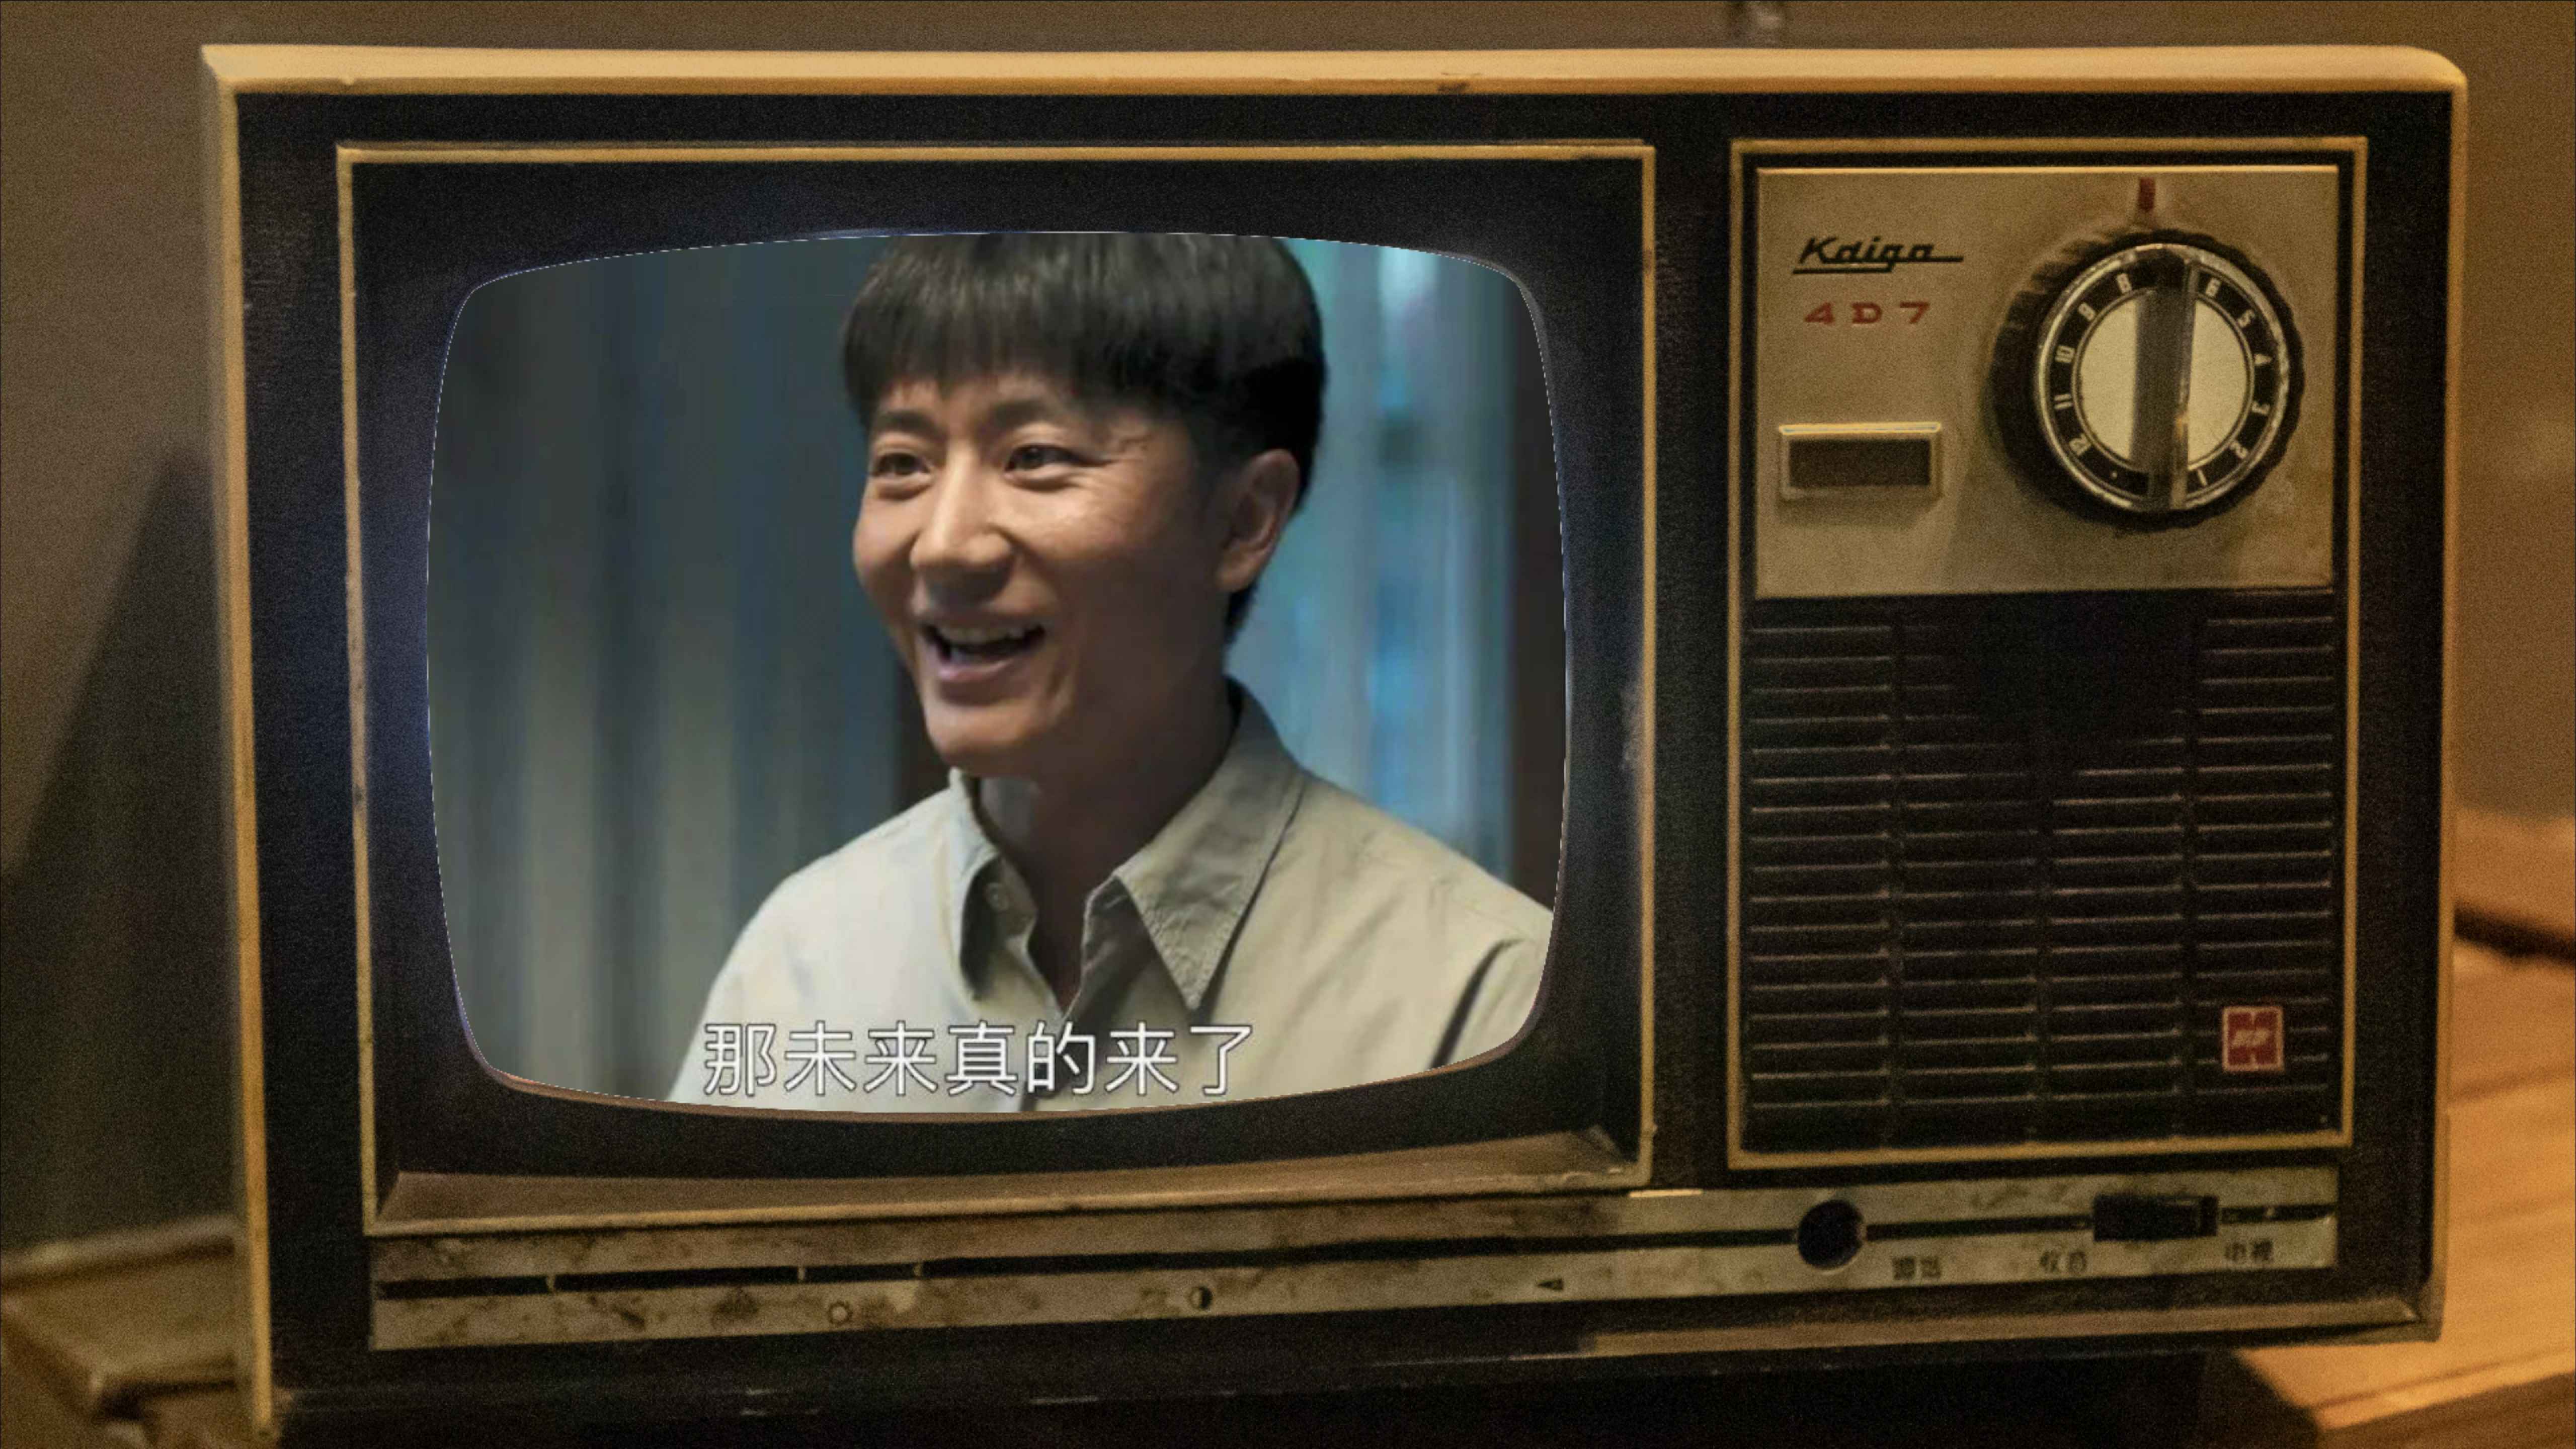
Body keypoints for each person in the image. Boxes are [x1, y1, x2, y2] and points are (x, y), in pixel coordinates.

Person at [670, 233, 1547, 1112]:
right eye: (903, 465)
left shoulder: (1477, 998)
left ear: (1243, 520)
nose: (942, 545)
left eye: (1035, 457)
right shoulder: (801, 960)